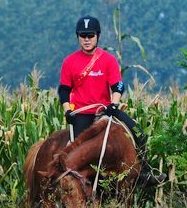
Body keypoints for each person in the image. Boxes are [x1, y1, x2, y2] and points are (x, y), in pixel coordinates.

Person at [57, 15, 167, 186]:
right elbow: (64, 90)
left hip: (104, 111)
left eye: (90, 36)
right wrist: (67, 111)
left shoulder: (108, 60)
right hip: (81, 114)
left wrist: (113, 104)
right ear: (78, 37)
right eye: (82, 36)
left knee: (138, 132)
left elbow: (118, 86)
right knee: (76, 153)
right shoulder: (69, 62)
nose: (86, 40)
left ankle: (144, 171)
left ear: (98, 36)